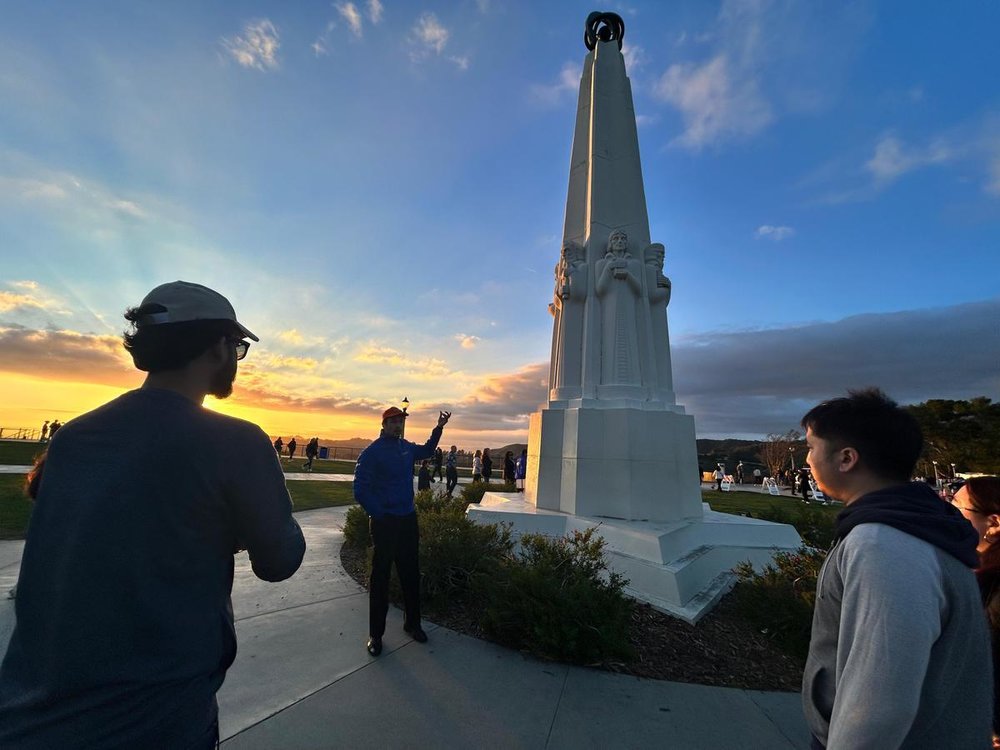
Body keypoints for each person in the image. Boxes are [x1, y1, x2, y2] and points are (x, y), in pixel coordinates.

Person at [0, 280, 306, 749]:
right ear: (217, 346)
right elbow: (280, 561)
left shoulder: (74, 437)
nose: (237, 360)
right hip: (155, 720)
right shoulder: (236, 441)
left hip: (26, 716)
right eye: (238, 347)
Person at [800, 388, 991, 749]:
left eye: (810, 447)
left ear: (846, 458)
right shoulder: (909, 527)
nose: (807, 460)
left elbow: (878, 704)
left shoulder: (884, 545)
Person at [354, 406, 451, 656]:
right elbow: (360, 489)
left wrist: (438, 428)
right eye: (394, 421)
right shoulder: (372, 453)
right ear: (384, 424)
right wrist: (379, 513)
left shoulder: (406, 448)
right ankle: (376, 635)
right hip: (385, 523)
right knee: (380, 579)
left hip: (408, 520)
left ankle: (413, 624)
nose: (398, 425)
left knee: (410, 573)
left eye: (401, 421)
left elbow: (428, 450)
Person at [949, 476, 1000, 745]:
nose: (947, 512)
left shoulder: (993, 588)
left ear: (993, 524)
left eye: (957, 507)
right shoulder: (967, 570)